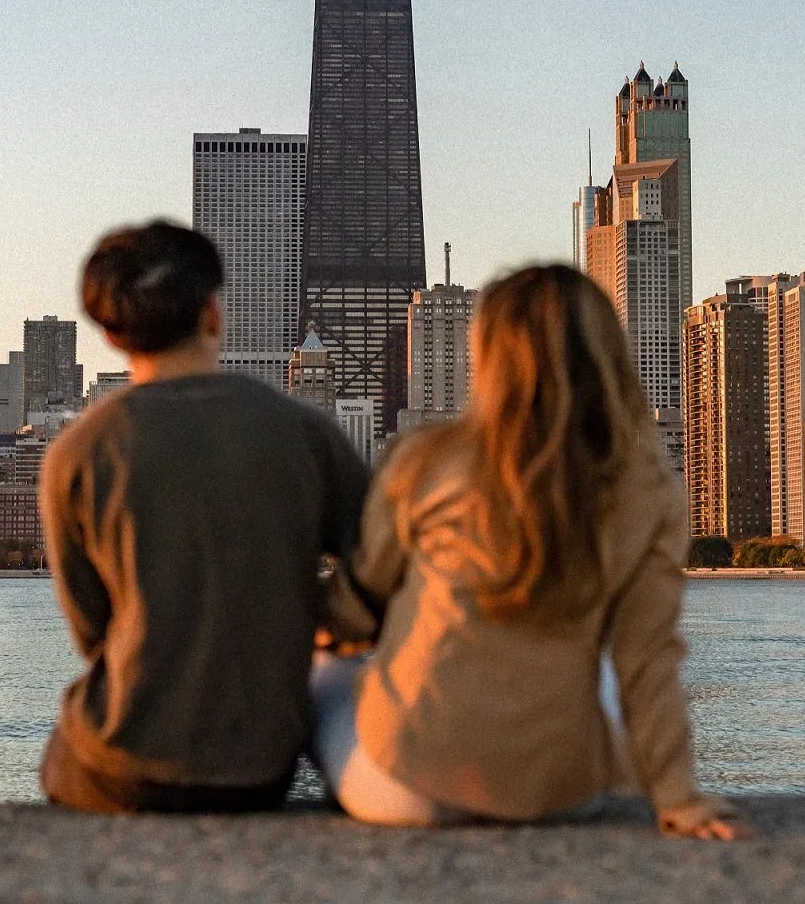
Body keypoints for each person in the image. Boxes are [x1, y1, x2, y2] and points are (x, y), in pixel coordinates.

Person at [312, 264, 746, 839]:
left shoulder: (425, 459)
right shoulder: (649, 488)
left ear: (486, 356)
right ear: (607, 356)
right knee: (612, 662)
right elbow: (648, 662)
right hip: (558, 795)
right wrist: (679, 799)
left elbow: (358, 606)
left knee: (325, 667)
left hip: (402, 789)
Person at [40, 220, 369, 813]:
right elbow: (382, 562)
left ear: (113, 337)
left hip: (121, 768)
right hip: (259, 770)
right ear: (212, 315)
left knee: (62, 755)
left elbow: (92, 632)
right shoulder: (302, 430)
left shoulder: (77, 455)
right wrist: (316, 615)